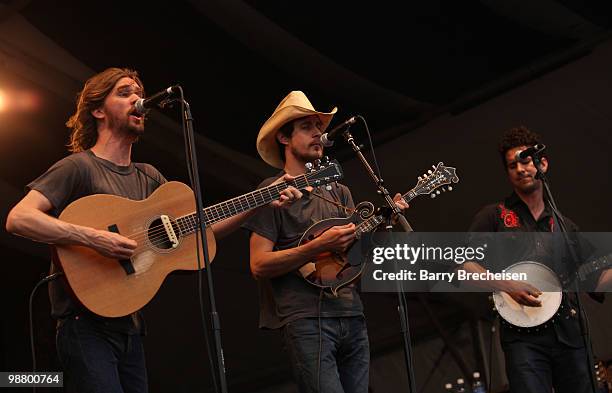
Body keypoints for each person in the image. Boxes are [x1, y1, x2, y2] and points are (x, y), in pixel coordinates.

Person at [5, 67, 301, 393]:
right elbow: (20, 218)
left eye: (138, 92)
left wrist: (260, 200)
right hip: (84, 326)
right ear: (98, 110)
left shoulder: (150, 178)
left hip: (130, 325)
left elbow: (201, 233)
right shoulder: (78, 167)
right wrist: (93, 237)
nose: (138, 99)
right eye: (125, 92)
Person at [242, 91, 408, 393]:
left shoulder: (340, 192)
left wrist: (382, 225)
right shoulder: (271, 192)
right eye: (307, 127)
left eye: (319, 127)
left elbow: (355, 256)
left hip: (352, 314)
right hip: (306, 320)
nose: (318, 133)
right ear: (284, 138)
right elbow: (258, 264)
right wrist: (314, 247)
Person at [462, 126, 612, 393]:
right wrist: (507, 286)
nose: (520, 169)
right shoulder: (494, 216)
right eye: (512, 165)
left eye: (526, 160)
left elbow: (597, 282)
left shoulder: (565, 226)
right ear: (508, 173)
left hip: (570, 333)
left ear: (542, 163)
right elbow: (464, 265)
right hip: (523, 339)